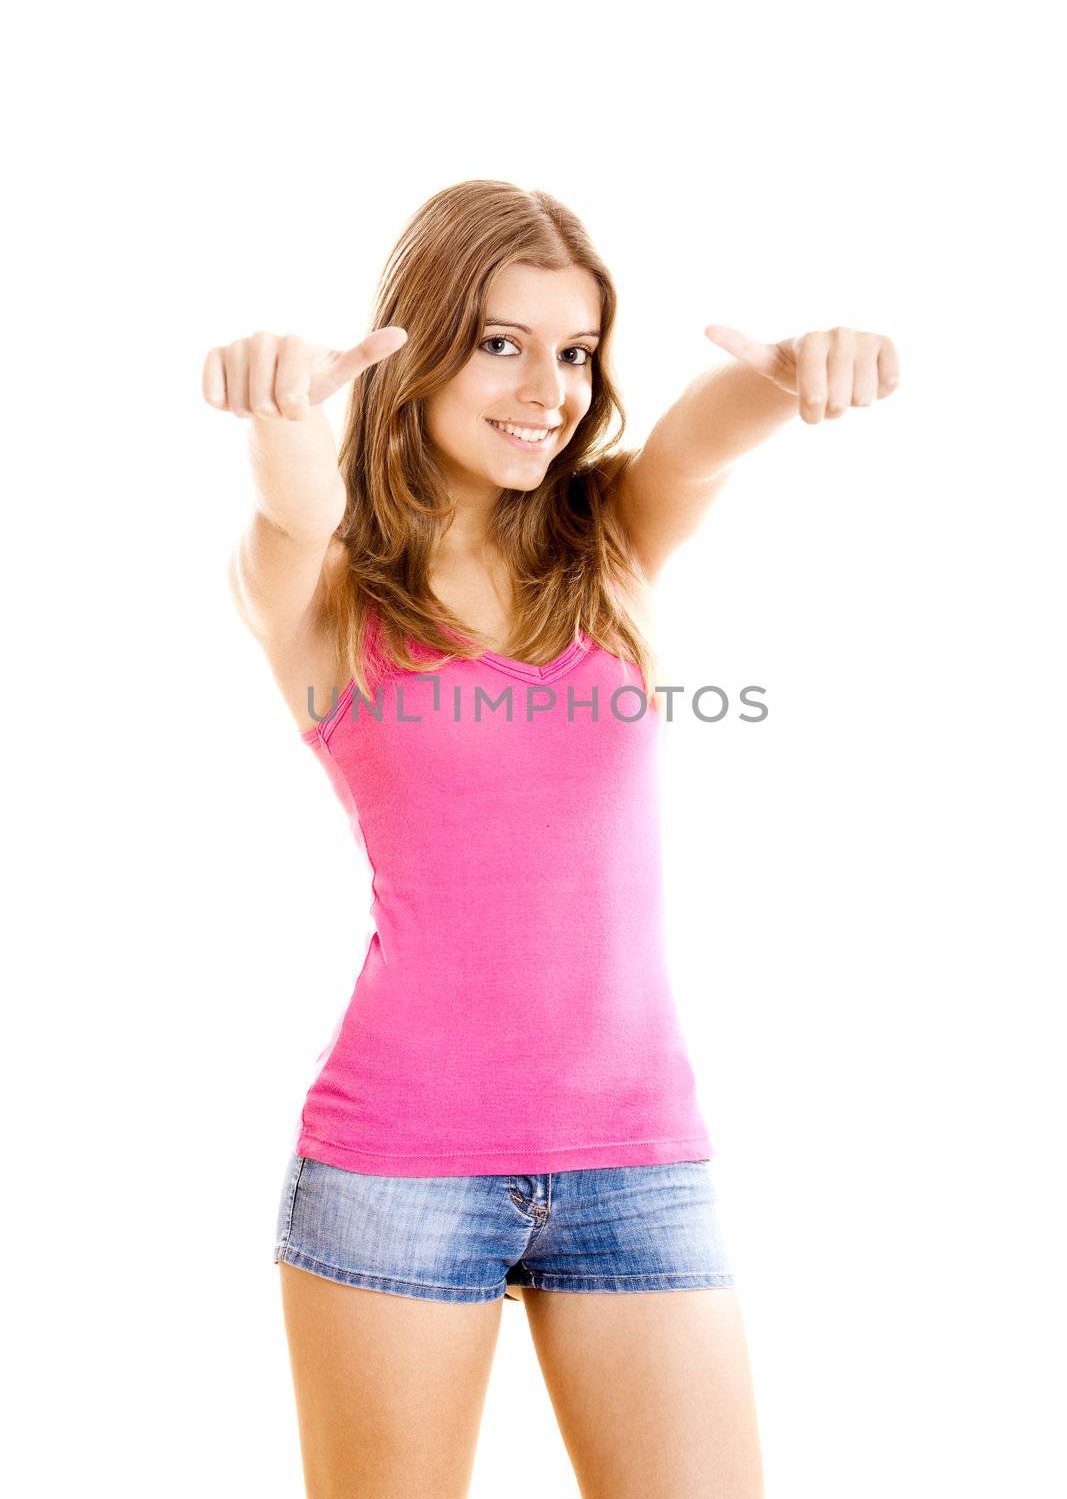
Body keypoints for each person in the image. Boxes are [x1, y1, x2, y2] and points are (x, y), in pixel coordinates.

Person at [204, 178, 899, 1499]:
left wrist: (803, 375)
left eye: (574, 351)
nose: (549, 390)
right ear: (416, 348)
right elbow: (294, 506)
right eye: (501, 343)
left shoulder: (610, 548)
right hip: (399, 1166)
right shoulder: (327, 590)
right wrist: (284, 408)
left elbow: (697, 440)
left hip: (639, 1160)